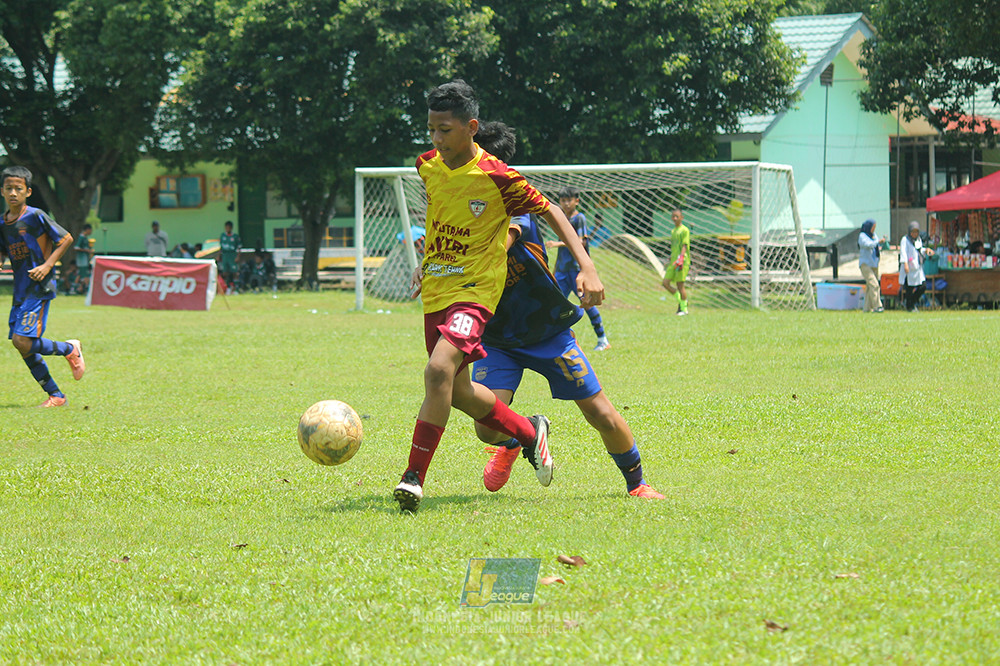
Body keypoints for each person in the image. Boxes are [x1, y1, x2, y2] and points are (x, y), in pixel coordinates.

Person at [393, 80, 604, 514]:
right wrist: (424, 261)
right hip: (437, 288)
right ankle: (529, 432)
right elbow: (440, 215)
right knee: (459, 392)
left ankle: (412, 477)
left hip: (475, 293)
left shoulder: (499, 177)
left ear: (471, 127)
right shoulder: (427, 166)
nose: (436, 139)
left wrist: (588, 267)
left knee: (437, 373)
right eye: (431, 129)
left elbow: (553, 211)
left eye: (445, 130)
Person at [473, 120, 664, 499]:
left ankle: (637, 484)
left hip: (546, 331)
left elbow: (502, 240)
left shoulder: (514, 202)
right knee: (487, 427)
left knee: (599, 412)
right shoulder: (460, 203)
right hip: (496, 335)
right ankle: (521, 436)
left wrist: (588, 268)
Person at [0, 166, 85, 407]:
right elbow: (3, 248)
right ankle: (56, 396)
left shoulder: (35, 216)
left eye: (18, 189)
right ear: (2, 192)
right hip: (20, 288)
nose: (13, 193)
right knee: (21, 345)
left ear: (27, 192)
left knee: (22, 340)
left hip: (40, 286)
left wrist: (48, 266)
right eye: (9, 189)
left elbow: (65, 238)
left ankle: (70, 348)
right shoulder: (2, 223)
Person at [546, 186, 610, 351]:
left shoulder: (579, 218)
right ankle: (554, 341)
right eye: (563, 200)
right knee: (554, 304)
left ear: (577, 201)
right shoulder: (561, 218)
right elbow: (563, 251)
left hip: (576, 270)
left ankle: (602, 339)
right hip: (562, 269)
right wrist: (554, 270)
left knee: (586, 302)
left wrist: (557, 243)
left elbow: (581, 241)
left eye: (569, 200)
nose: (566, 203)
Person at [900, 220, 934, 313]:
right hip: (909, 268)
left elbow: (919, 250)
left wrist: (926, 250)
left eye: (916, 232)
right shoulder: (905, 240)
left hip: (917, 268)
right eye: (913, 232)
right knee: (909, 289)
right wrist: (905, 264)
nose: (915, 234)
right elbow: (903, 252)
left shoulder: (918, 240)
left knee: (922, 287)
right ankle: (909, 307)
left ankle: (912, 303)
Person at [662, 208, 690, 315]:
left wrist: (681, 258)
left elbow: (684, 245)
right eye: (673, 216)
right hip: (673, 261)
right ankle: (682, 300)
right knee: (665, 283)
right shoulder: (673, 231)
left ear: (681, 217)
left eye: (677, 216)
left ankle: (684, 309)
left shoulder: (685, 230)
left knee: (680, 285)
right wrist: (671, 258)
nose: (674, 218)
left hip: (682, 261)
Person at [858, 218, 885, 313]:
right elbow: (868, 244)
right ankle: (878, 306)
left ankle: (867, 308)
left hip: (874, 264)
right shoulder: (862, 236)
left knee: (870, 287)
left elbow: (875, 245)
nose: (874, 229)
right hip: (865, 264)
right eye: (873, 227)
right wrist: (878, 242)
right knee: (874, 284)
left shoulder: (874, 236)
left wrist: (881, 244)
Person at [219, 220, 241, 293]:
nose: (227, 229)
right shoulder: (223, 236)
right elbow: (220, 247)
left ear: (231, 228)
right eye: (226, 227)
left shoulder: (235, 236)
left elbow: (239, 248)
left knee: (235, 272)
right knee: (225, 272)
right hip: (225, 255)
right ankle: (227, 287)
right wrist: (219, 256)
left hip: (232, 255)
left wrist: (238, 256)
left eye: (229, 227)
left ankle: (236, 288)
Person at [73, 222, 94, 295]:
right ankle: (84, 289)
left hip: (85, 259)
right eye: (91, 230)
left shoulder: (85, 238)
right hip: (82, 260)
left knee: (81, 274)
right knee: (83, 275)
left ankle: (78, 289)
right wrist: (87, 250)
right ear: (87, 229)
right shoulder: (81, 237)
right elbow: (76, 247)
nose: (91, 232)